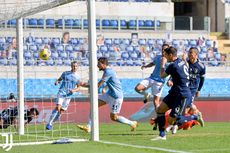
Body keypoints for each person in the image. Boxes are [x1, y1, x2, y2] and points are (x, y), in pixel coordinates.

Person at [151, 46, 204, 140]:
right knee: (159, 110)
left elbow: (162, 75)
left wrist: (162, 64)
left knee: (172, 120)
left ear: (171, 55)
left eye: (166, 55)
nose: (165, 57)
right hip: (174, 92)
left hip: (182, 95)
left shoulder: (173, 65)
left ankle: (194, 117)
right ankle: (162, 135)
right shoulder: (182, 61)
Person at [77, 57, 138, 133]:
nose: (97, 65)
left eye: (98, 64)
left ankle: (132, 123)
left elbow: (98, 85)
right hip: (109, 94)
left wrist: (83, 85)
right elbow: (112, 82)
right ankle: (88, 127)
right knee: (94, 106)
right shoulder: (108, 71)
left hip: (116, 97)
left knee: (113, 117)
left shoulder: (108, 72)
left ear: (104, 64)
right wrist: (106, 88)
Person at [46, 61, 82, 130]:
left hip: (69, 95)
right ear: (71, 66)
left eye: (76, 66)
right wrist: (57, 81)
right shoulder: (65, 73)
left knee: (61, 111)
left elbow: (79, 87)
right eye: (73, 66)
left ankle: (51, 123)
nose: (74, 67)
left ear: (77, 67)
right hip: (61, 92)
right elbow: (59, 79)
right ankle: (49, 124)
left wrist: (73, 90)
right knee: (58, 107)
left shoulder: (78, 77)